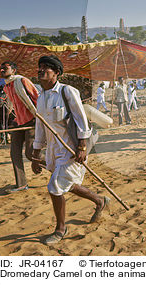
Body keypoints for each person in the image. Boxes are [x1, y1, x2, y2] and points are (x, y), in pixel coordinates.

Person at [31, 55, 109, 245]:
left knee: (55, 187)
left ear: (56, 73)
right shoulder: (41, 97)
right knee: (67, 183)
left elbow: (82, 119)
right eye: (39, 67)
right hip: (53, 150)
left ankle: (60, 229)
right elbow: (40, 126)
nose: (41, 70)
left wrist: (82, 146)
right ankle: (100, 201)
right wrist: (35, 153)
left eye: (46, 68)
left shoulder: (67, 92)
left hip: (71, 148)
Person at [0, 61, 40, 193]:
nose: (2, 70)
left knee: (29, 153)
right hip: (19, 122)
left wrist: (40, 118)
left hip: (32, 120)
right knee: (15, 153)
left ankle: (58, 169)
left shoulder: (22, 81)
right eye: (1, 69)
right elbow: (12, 105)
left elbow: (36, 98)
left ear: (14, 70)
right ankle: (21, 184)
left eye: (5, 68)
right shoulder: (6, 87)